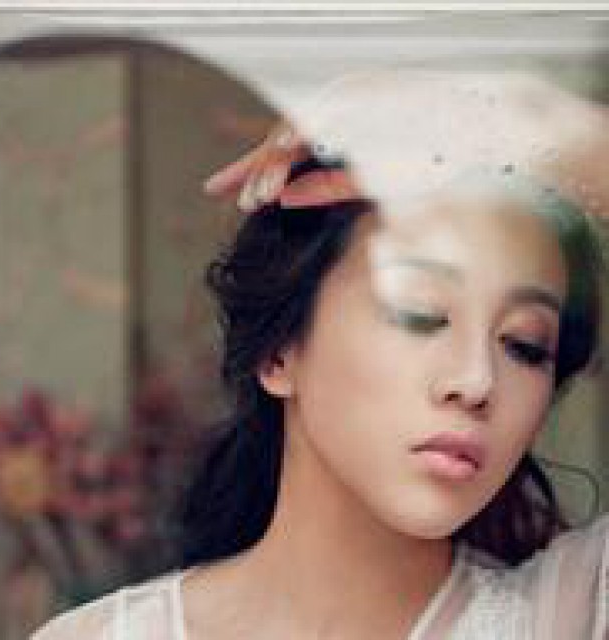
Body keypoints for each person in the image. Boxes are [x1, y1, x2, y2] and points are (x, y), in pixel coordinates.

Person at [32, 70, 608, 639]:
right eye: (420, 312)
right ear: (279, 352)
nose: (477, 381)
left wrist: (495, 114)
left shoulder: (567, 618)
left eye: (525, 346)